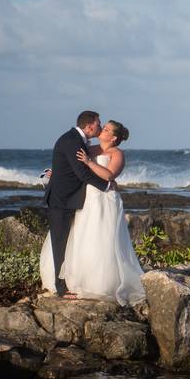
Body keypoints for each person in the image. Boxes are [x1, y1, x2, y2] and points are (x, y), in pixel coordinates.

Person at [39, 119, 146, 305]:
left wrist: (89, 162)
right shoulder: (90, 148)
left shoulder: (117, 153)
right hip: (86, 199)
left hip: (105, 200)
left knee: (102, 238)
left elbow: (109, 175)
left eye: (106, 129)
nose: (102, 129)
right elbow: (73, 165)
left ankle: (102, 284)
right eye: (102, 127)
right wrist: (53, 173)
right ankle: (73, 279)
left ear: (113, 137)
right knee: (82, 237)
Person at [42, 111, 110, 299]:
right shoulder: (72, 141)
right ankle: (60, 287)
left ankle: (67, 280)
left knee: (70, 242)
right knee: (59, 242)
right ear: (89, 126)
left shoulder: (77, 140)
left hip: (70, 199)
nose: (100, 126)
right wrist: (107, 185)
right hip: (61, 200)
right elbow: (82, 173)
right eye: (98, 123)